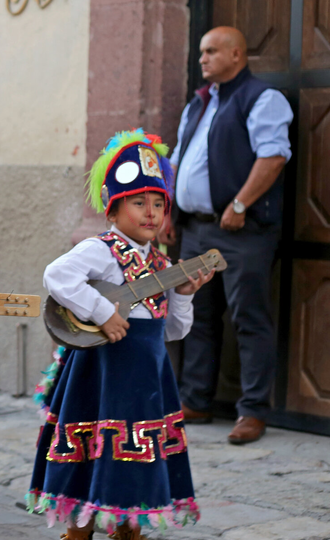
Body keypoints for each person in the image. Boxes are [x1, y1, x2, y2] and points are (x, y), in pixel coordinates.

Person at [28, 130, 215, 540]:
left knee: (133, 464)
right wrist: (102, 313)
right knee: (90, 458)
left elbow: (175, 331)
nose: (150, 213)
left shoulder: (162, 264)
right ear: (113, 209)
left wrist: (182, 296)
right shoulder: (102, 250)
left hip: (146, 386)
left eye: (158, 203)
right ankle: (79, 532)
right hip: (100, 379)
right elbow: (56, 276)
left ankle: (128, 528)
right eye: (138, 202)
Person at [160, 27, 293, 445]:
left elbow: (273, 156)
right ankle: (196, 400)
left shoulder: (262, 98)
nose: (203, 59)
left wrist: (239, 205)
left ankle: (252, 411)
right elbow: (178, 162)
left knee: (248, 318)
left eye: (212, 51)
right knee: (196, 314)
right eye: (201, 51)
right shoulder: (198, 104)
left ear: (237, 54)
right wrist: (169, 212)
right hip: (196, 229)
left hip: (242, 231)